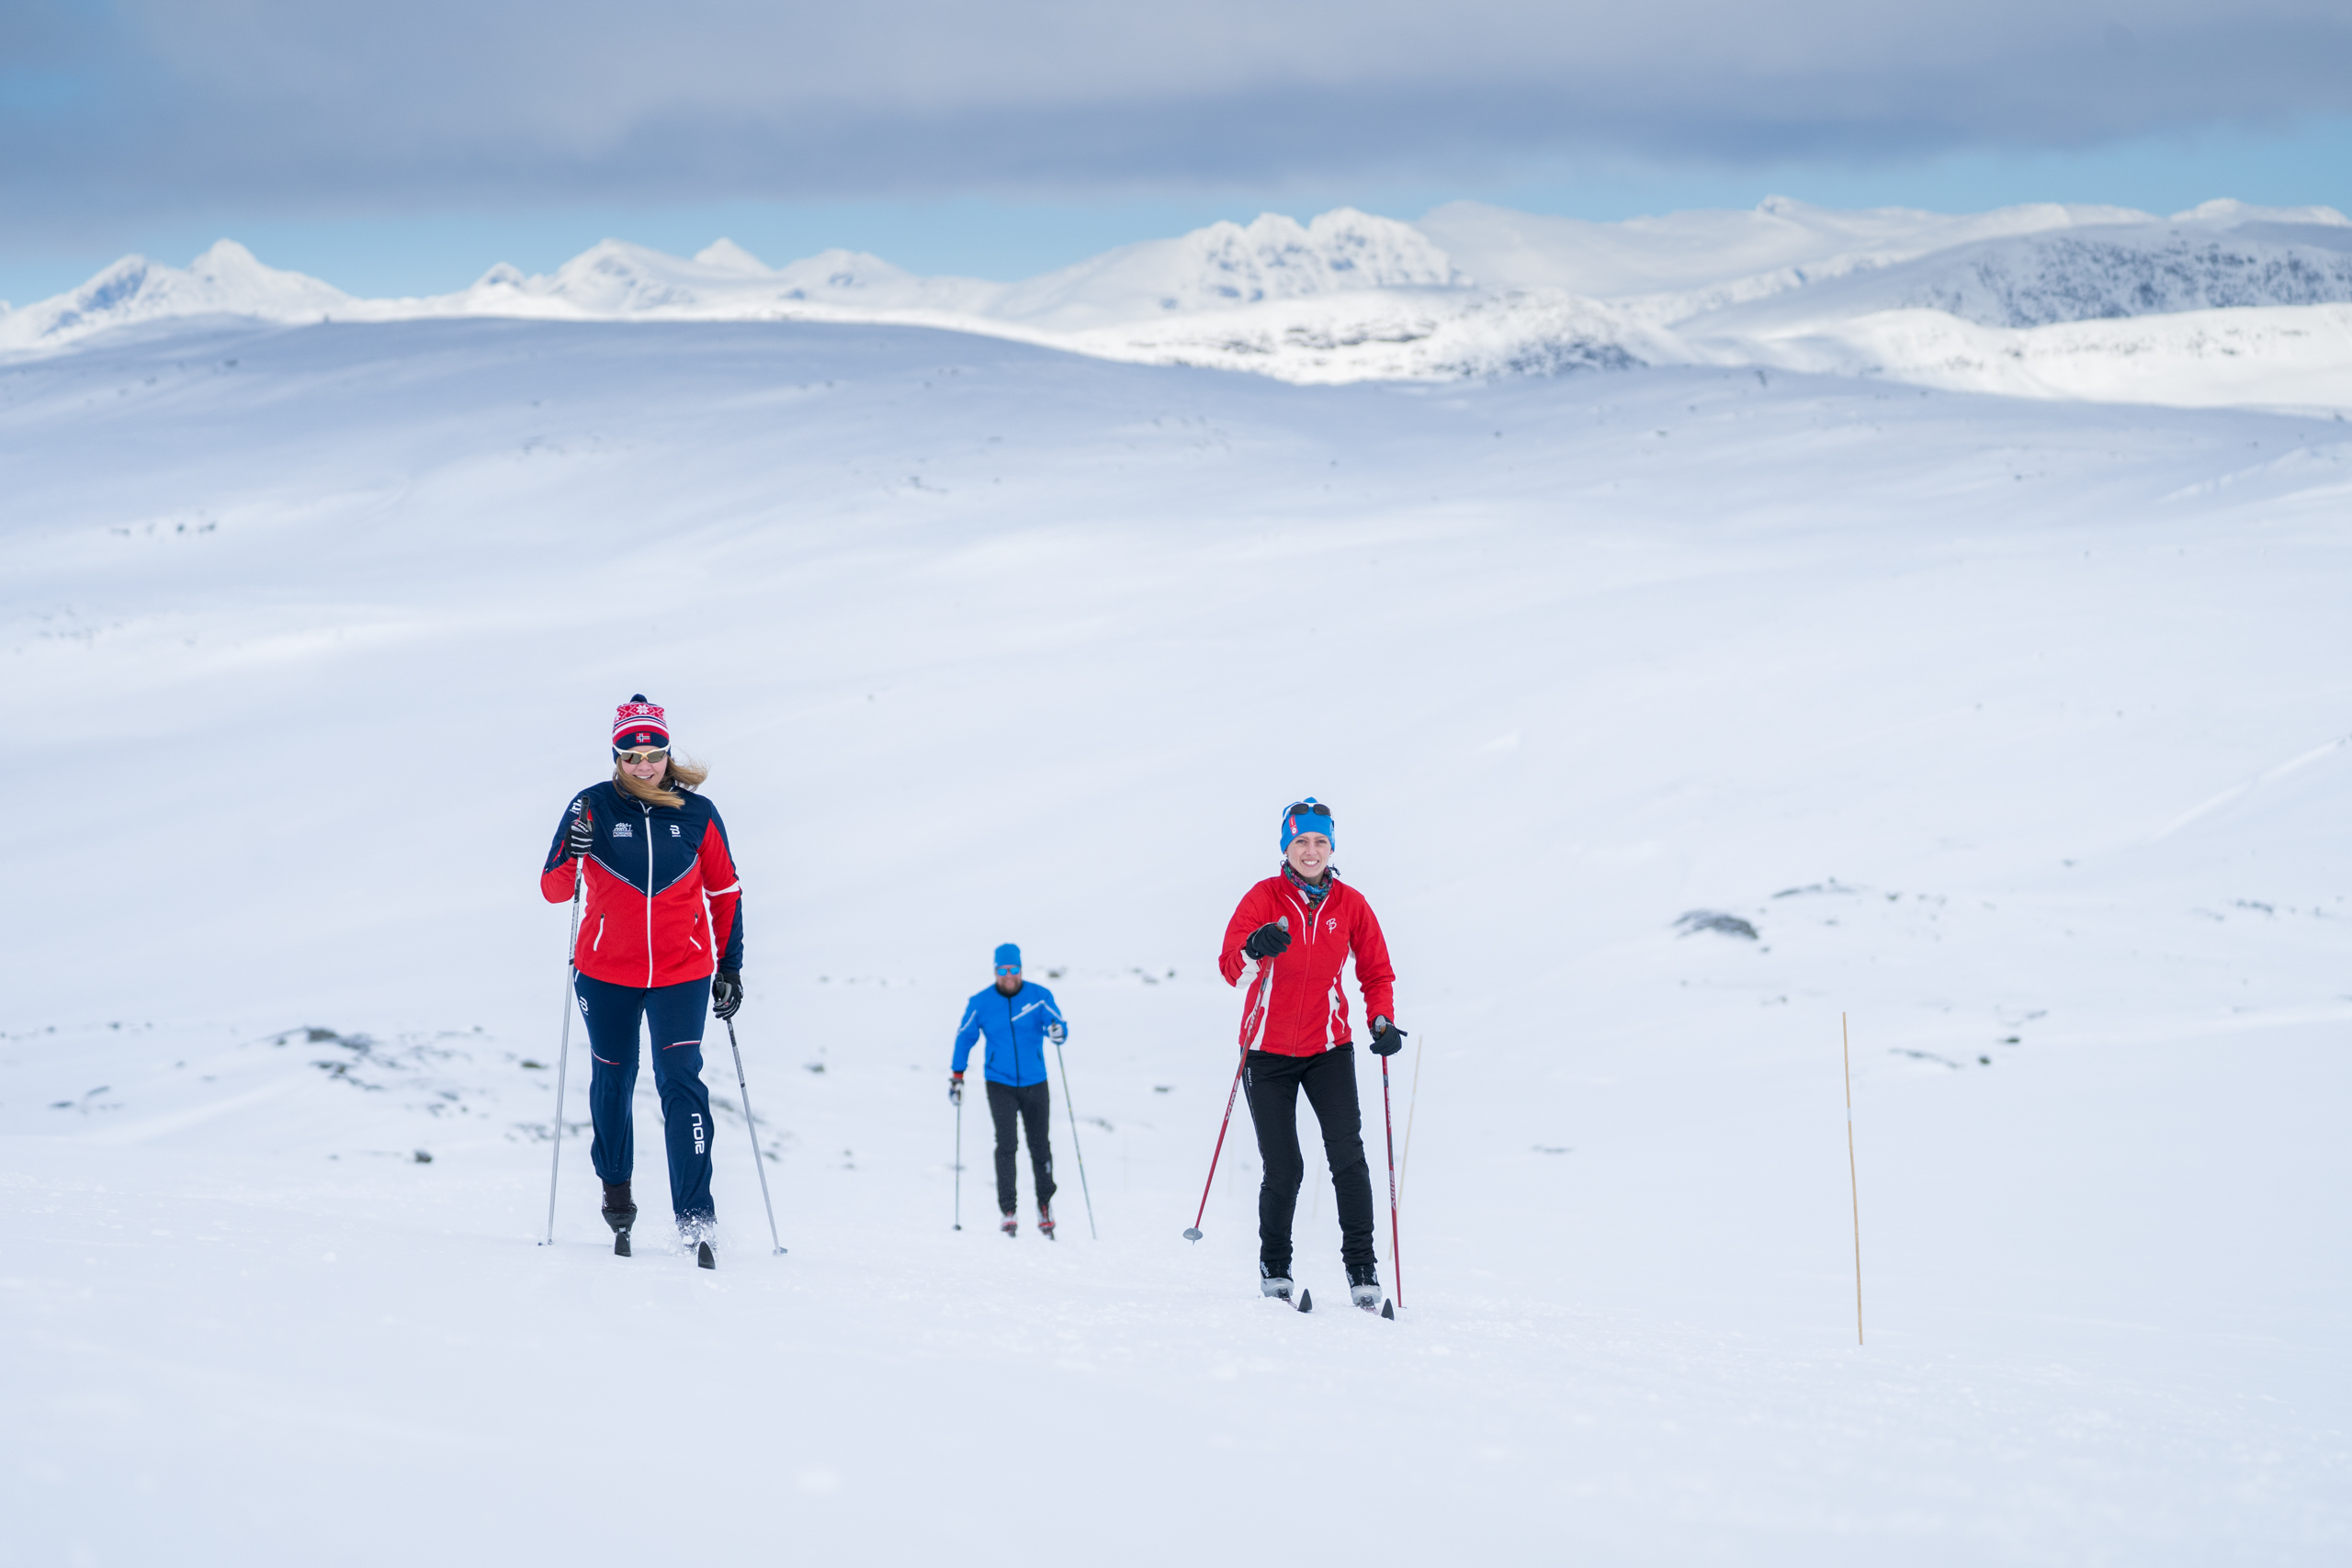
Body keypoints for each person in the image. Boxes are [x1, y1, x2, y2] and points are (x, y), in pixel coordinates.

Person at [539, 695, 744, 1268]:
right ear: (616, 757)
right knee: (615, 1079)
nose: (644, 765)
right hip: (606, 972)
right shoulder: (591, 807)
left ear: (666, 752)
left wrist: (731, 966)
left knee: (682, 1081)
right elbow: (555, 889)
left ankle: (696, 1218)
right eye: (632, 757)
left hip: (684, 971)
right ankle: (618, 1198)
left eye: (653, 754)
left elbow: (725, 891)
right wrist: (571, 851)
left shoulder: (697, 813)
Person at [1218, 798, 1405, 1311]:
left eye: (1320, 841)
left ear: (1332, 847)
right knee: (1285, 1167)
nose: (1311, 850)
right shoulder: (1263, 897)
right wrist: (1256, 947)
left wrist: (1381, 1019)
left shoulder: (1350, 903)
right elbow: (1230, 967)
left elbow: (1376, 971)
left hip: (1329, 1048)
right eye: (1301, 841)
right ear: (1286, 847)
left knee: (1348, 1156)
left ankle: (1361, 1268)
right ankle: (1275, 1265)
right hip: (1266, 1053)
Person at [949, 943, 1069, 1238]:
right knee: (1006, 1145)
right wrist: (957, 1076)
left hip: (1035, 1081)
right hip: (999, 1082)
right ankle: (1008, 1211)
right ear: (995, 972)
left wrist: (1058, 1031)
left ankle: (1044, 1205)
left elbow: (1058, 1025)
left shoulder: (1039, 997)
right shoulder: (981, 1002)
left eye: (1013, 970)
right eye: (1002, 971)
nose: (1008, 976)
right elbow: (965, 1038)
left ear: (1021, 969)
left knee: (1040, 1146)